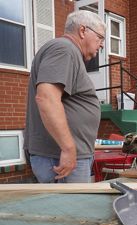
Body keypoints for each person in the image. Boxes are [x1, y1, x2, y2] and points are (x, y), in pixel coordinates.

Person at [24, 10, 106, 183]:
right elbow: (46, 98)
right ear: (83, 31)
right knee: (70, 209)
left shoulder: (67, 52)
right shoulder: (64, 49)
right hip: (59, 159)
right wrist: (69, 149)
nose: (102, 45)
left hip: (60, 157)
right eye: (100, 37)